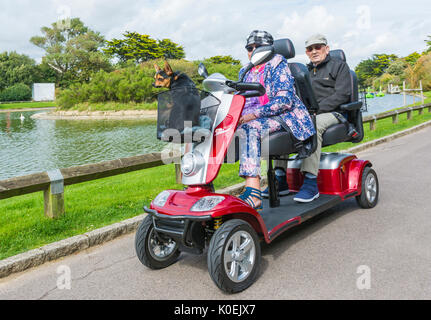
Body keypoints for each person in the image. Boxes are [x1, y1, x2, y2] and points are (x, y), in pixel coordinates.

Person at [263, 33, 352, 203]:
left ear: (326, 49)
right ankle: (280, 178)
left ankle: (311, 182)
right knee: (282, 124)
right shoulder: (303, 71)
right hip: (309, 113)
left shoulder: (339, 66)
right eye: (310, 49)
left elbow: (342, 95)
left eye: (318, 47)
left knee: (312, 123)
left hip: (335, 113)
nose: (314, 51)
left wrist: (314, 111)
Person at [237, 30, 315, 210]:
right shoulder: (245, 70)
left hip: (286, 117)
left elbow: (284, 101)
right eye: (249, 48)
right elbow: (240, 96)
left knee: (249, 129)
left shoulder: (278, 64)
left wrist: (253, 114)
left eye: (258, 47)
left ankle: (253, 193)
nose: (253, 51)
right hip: (257, 117)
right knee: (216, 130)